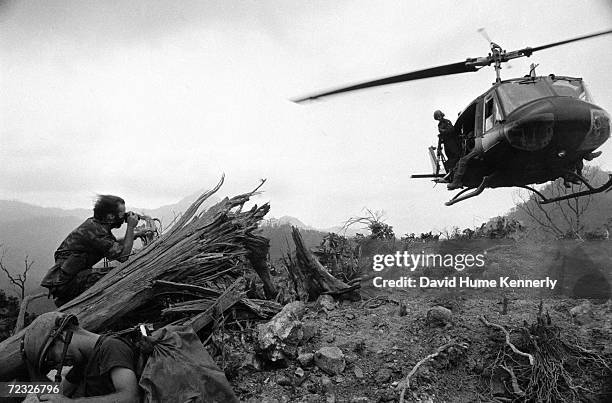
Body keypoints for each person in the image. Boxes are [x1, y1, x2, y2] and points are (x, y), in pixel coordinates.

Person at [41, 195, 142, 307]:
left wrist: (134, 235)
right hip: (67, 284)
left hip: (68, 280)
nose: (124, 217)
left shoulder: (95, 225)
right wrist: (131, 227)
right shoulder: (96, 231)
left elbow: (110, 245)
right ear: (110, 217)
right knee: (120, 274)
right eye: (122, 214)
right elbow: (123, 256)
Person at [21, 311, 140, 402]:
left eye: (52, 357)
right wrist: (31, 365)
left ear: (62, 336)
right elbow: (53, 395)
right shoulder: (84, 361)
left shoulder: (111, 347)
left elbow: (130, 397)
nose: (58, 366)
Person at [433, 110, 461, 178]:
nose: (439, 118)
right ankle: (451, 171)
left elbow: (451, 130)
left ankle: (455, 170)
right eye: (437, 117)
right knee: (450, 156)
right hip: (446, 143)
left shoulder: (447, 121)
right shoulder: (439, 125)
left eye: (439, 116)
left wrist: (443, 131)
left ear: (442, 115)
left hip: (452, 141)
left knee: (456, 155)